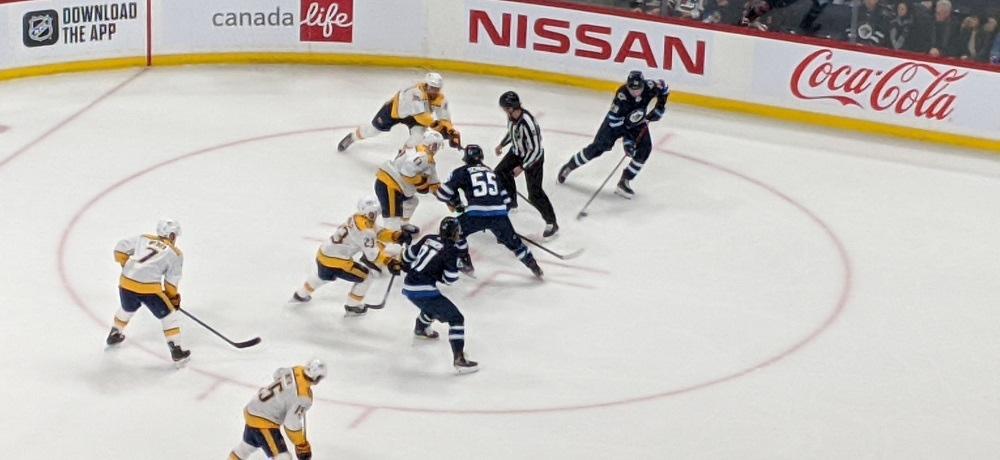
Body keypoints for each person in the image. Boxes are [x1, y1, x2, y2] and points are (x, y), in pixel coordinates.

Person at [291, 196, 413, 316]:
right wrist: (390, 262)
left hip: (323, 253)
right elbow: (373, 255)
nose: (377, 213)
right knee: (366, 276)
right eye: (374, 211)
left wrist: (395, 236)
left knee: (323, 276)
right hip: (337, 261)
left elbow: (378, 232)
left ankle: (301, 294)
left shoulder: (358, 218)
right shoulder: (365, 230)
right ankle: (353, 305)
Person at [557, 71, 669, 199]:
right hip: (614, 124)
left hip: (637, 120)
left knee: (645, 149)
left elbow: (664, 88)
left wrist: (660, 107)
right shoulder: (622, 96)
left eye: (638, 89)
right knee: (597, 148)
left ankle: (625, 181)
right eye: (632, 89)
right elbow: (617, 122)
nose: (635, 92)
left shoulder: (650, 86)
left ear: (643, 85)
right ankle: (570, 166)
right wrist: (628, 141)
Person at [437, 144, 543, 278]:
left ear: (466, 159)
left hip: (475, 215)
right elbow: (507, 201)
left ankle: (465, 261)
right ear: (481, 157)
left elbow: (442, 194)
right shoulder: (491, 172)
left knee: (453, 231)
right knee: (516, 244)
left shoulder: (462, 171)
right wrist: (501, 225)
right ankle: (534, 267)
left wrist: (455, 202)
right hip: (499, 216)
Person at [106, 218, 190, 365]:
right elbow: (171, 282)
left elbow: (120, 248)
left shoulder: (144, 238)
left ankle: (115, 333)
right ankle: (176, 349)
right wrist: (173, 299)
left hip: (126, 282)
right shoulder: (175, 254)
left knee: (127, 308)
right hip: (149, 289)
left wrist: (128, 267)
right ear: (171, 235)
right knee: (169, 316)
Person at [402, 217, 479, 374]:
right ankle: (459, 359)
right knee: (456, 318)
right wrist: (444, 271)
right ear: (455, 233)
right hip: (423, 290)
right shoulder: (452, 250)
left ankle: (421, 328)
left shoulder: (428, 238)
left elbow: (407, 257)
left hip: (409, 284)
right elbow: (450, 279)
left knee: (434, 307)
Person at [337, 72, 461, 153]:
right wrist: (436, 126)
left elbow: (445, 118)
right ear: (426, 85)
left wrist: (451, 131)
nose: (434, 91)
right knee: (373, 131)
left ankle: (402, 157)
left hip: (416, 118)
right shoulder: (415, 92)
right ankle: (353, 137)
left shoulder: (441, 99)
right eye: (432, 88)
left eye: (437, 89)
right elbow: (421, 116)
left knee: (417, 138)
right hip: (395, 111)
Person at [228, 359, 327, 460]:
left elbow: (277, 373)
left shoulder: (296, 370)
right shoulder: (304, 397)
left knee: (245, 448)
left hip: (252, 409)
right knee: (283, 457)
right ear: (317, 378)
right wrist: (301, 444)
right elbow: (291, 423)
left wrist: (286, 393)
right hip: (264, 419)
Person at [494, 91, 559, 238]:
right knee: (500, 172)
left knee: (535, 194)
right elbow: (512, 133)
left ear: (510, 108)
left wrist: (522, 167)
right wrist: (502, 144)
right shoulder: (512, 117)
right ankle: (511, 201)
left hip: (533, 159)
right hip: (517, 152)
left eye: (504, 108)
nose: (504, 111)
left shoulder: (528, 124)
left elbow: (535, 149)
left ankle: (552, 222)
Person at [374, 130, 444, 231]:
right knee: (392, 219)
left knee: (411, 202)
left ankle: (403, 224)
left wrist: (445, 195)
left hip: (395, 185)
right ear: (432, 145)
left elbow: (434, 182)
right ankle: (391, 237)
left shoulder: (419, 151)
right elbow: (407, 172)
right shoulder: (423, 156)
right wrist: (421, 183)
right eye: (436, 146)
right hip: (390, 185)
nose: (437, 149)